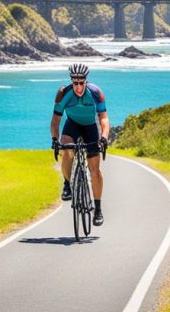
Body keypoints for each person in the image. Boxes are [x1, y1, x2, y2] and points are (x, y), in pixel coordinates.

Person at [51, 62, 109, 226]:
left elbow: (103, 118)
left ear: (86, 81)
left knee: (95, 170)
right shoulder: (64, 94)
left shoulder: (96, 93)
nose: (78, 87)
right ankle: (67, 184)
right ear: (71, 81)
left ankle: (97, 209)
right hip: (72, 125)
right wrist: (55, 140)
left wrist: (104, 137)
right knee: (67, 149)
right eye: (75, 83)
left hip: (90, 127)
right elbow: (55, 121)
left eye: (81, 83)